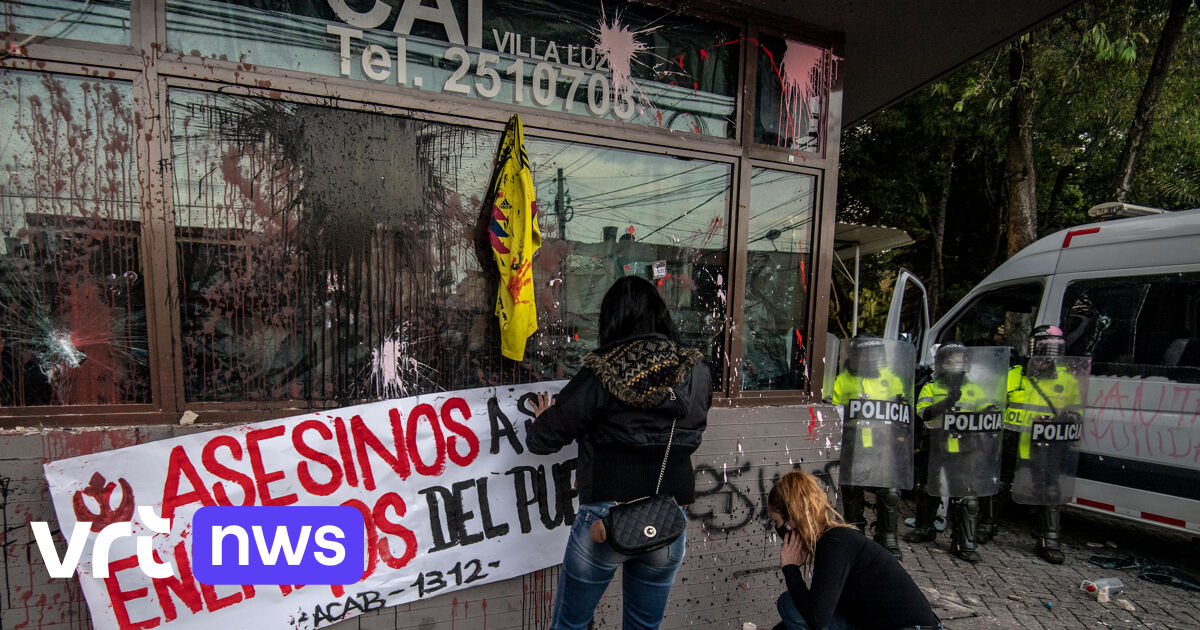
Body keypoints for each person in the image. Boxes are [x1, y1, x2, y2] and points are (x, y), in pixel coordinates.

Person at [527, 275, 712, 630]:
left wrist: (541, 419)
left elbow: (545, 439)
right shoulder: (696, 372)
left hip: (605, 521)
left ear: (611, 319)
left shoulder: (603, 370)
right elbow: (694, 427)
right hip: (667, 517)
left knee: (570, 625)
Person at [768, 471, 942, 630]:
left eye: (777, 522)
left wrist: (790, 569)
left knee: (788, 604)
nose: (779, 530)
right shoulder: (835, 541)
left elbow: (816, 618)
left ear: (791, 521)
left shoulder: (834, 545)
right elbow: (825, 610)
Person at [905, 345, 1002, 562]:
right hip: (935, 445)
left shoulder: (975, 388)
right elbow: (924, 413)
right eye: (950, 360)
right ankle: (924, 527)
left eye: (959, 360)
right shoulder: (930, 387)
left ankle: (963, 541)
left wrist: (991, 411)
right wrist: (946, 402)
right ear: (941, 363)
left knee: (965, 495)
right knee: (926, 489)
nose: (955, 364)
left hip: (964, 449)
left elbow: (986, 413)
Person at [996, 325, 1083, 564]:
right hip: (1012, 440)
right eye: (1043, 349)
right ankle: (985, 527)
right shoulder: (1014, 375)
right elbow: (995, 405)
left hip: (1046, 445)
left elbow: (1074, 411)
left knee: (1049, 489)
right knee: (1000, 485)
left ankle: (1049, 540)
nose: (1047, 356)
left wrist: (1063, 420)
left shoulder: (1067, 380)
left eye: (1053, 350)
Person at [831, 334, 910, 559]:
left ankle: (887, 537)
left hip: (883, 447)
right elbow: (835, 413)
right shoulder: (843, 380)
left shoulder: (892, 379)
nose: (868, 359)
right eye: (863, 354)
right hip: (854, 445)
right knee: (852, 488)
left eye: (872, 354)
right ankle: (855, 534)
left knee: (891, 491)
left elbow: (901, 413)